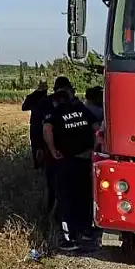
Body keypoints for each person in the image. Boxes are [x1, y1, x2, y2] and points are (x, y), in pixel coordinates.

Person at [43, 84, 97, 251]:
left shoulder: (55, 113)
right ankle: (87, 231)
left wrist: (52, 150)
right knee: (85, 196)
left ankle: (70, 239)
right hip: (85, 159)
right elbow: (97, 129)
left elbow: (47, 129)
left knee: (66, 199)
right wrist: (95, 150)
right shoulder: (82, 111)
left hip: (67, 160)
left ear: (56, 101)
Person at [21, 81, 50, 169]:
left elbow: (24, 107)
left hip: (35, 125)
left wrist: (34, 93)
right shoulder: (47, 99)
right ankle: (45, 166)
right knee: (45, 146)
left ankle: (37, 166)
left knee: (35, 146)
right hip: (45, 124)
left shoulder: (32, 97)